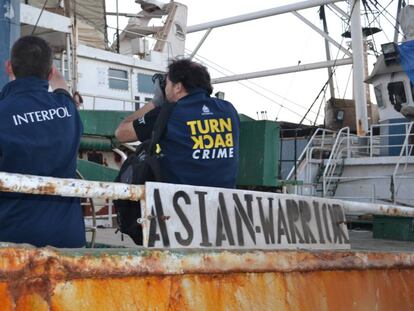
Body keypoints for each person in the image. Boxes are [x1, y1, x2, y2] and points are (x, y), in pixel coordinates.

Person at [0, 36, 85, 248]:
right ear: (50, 72)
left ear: (9, 67)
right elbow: (62, 89)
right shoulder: (68, 109)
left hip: (12, 242)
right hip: (69, 242)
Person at [115, 58, 240, 188]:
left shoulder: (168, 112)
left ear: (178, 87)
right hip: (223, 200)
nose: (165, 88)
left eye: (167, 83)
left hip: (179, 201)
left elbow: (121, 133)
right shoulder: (228, 110)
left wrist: (156, 102)